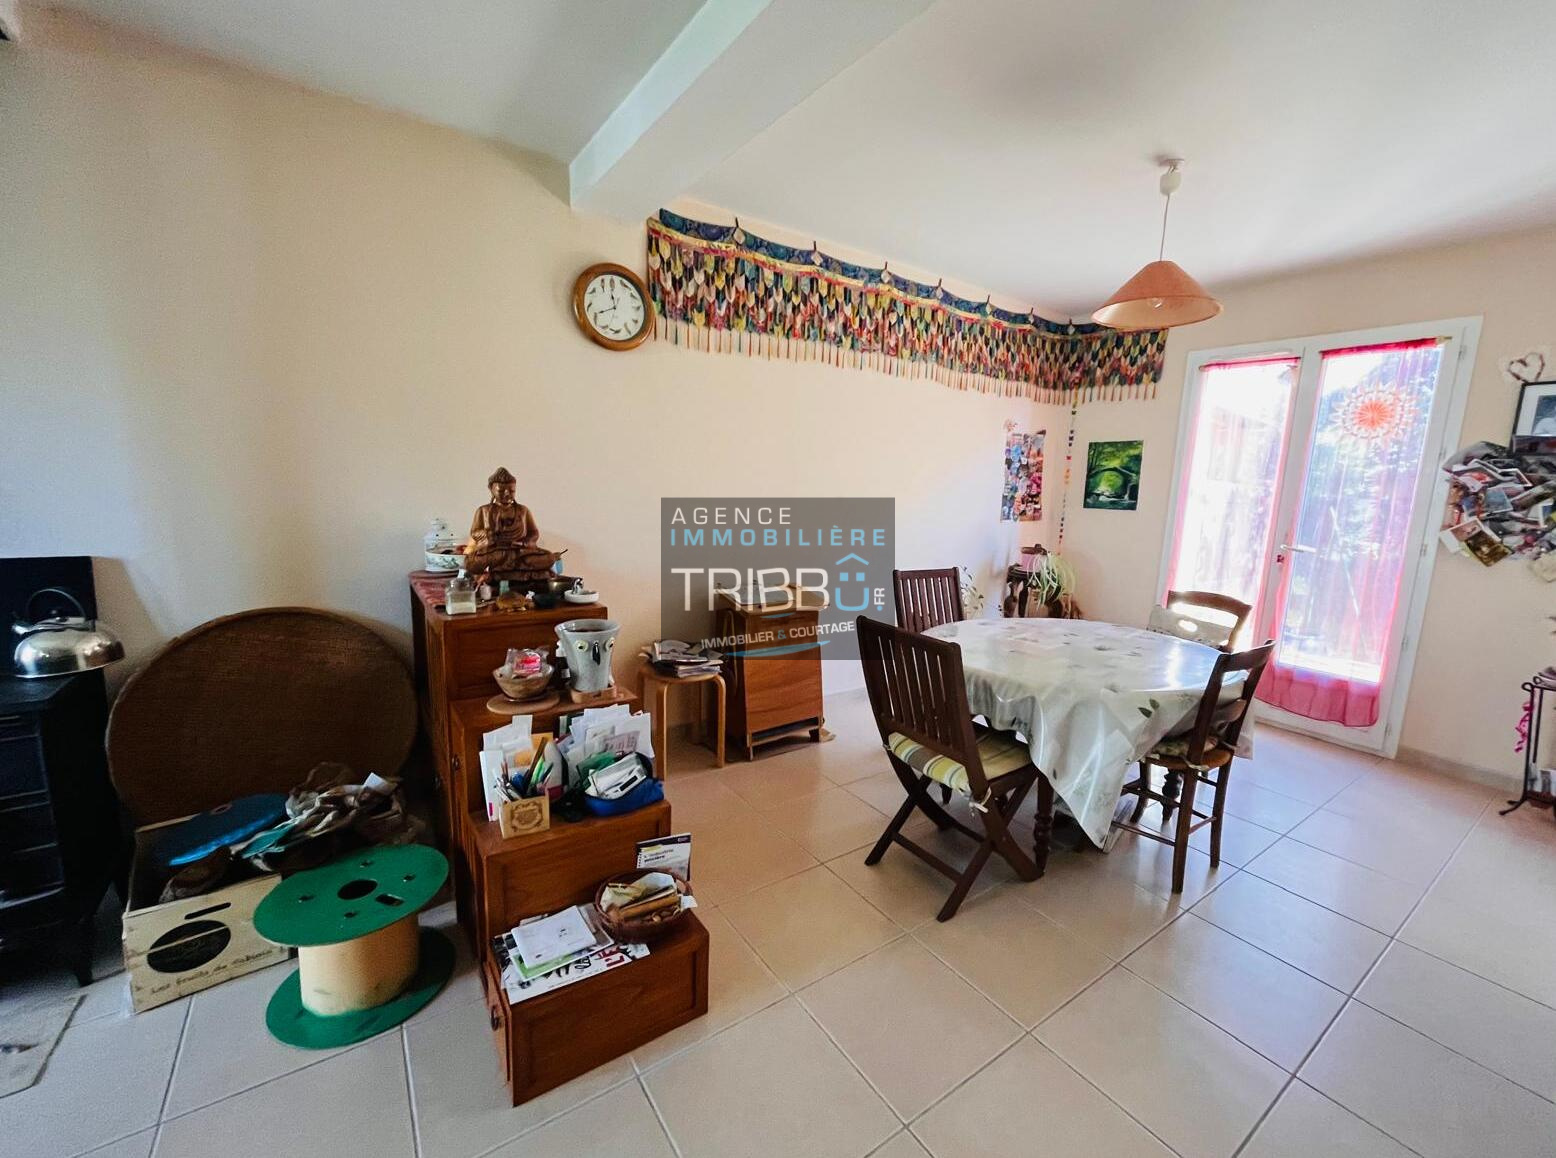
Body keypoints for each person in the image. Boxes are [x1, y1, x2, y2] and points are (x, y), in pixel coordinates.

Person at [463, 467, 562, 580]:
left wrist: (523, 543)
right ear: (491, 489)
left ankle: (498, 574)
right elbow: (474, 532)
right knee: (470, 563)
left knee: (549, 557)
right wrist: (487, 534)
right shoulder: (483, 510)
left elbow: (534, 533)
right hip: (494, 552)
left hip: (519, 552)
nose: (507, 494)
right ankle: (520, 574)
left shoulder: (523, 510)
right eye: (501, 491)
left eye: (511, 491)